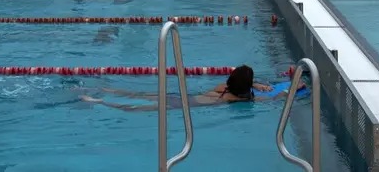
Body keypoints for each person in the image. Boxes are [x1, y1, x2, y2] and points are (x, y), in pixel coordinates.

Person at [79, 65, 300, 111]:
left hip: (181, 96)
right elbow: (275, 98)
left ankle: (105, 91)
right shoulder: (239, 99)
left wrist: (256, 83)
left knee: (138, 95)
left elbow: (239, 81)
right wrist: (291, 89)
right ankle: (100, 101)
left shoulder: (222, 87)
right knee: (134, 109)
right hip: (182, 106)